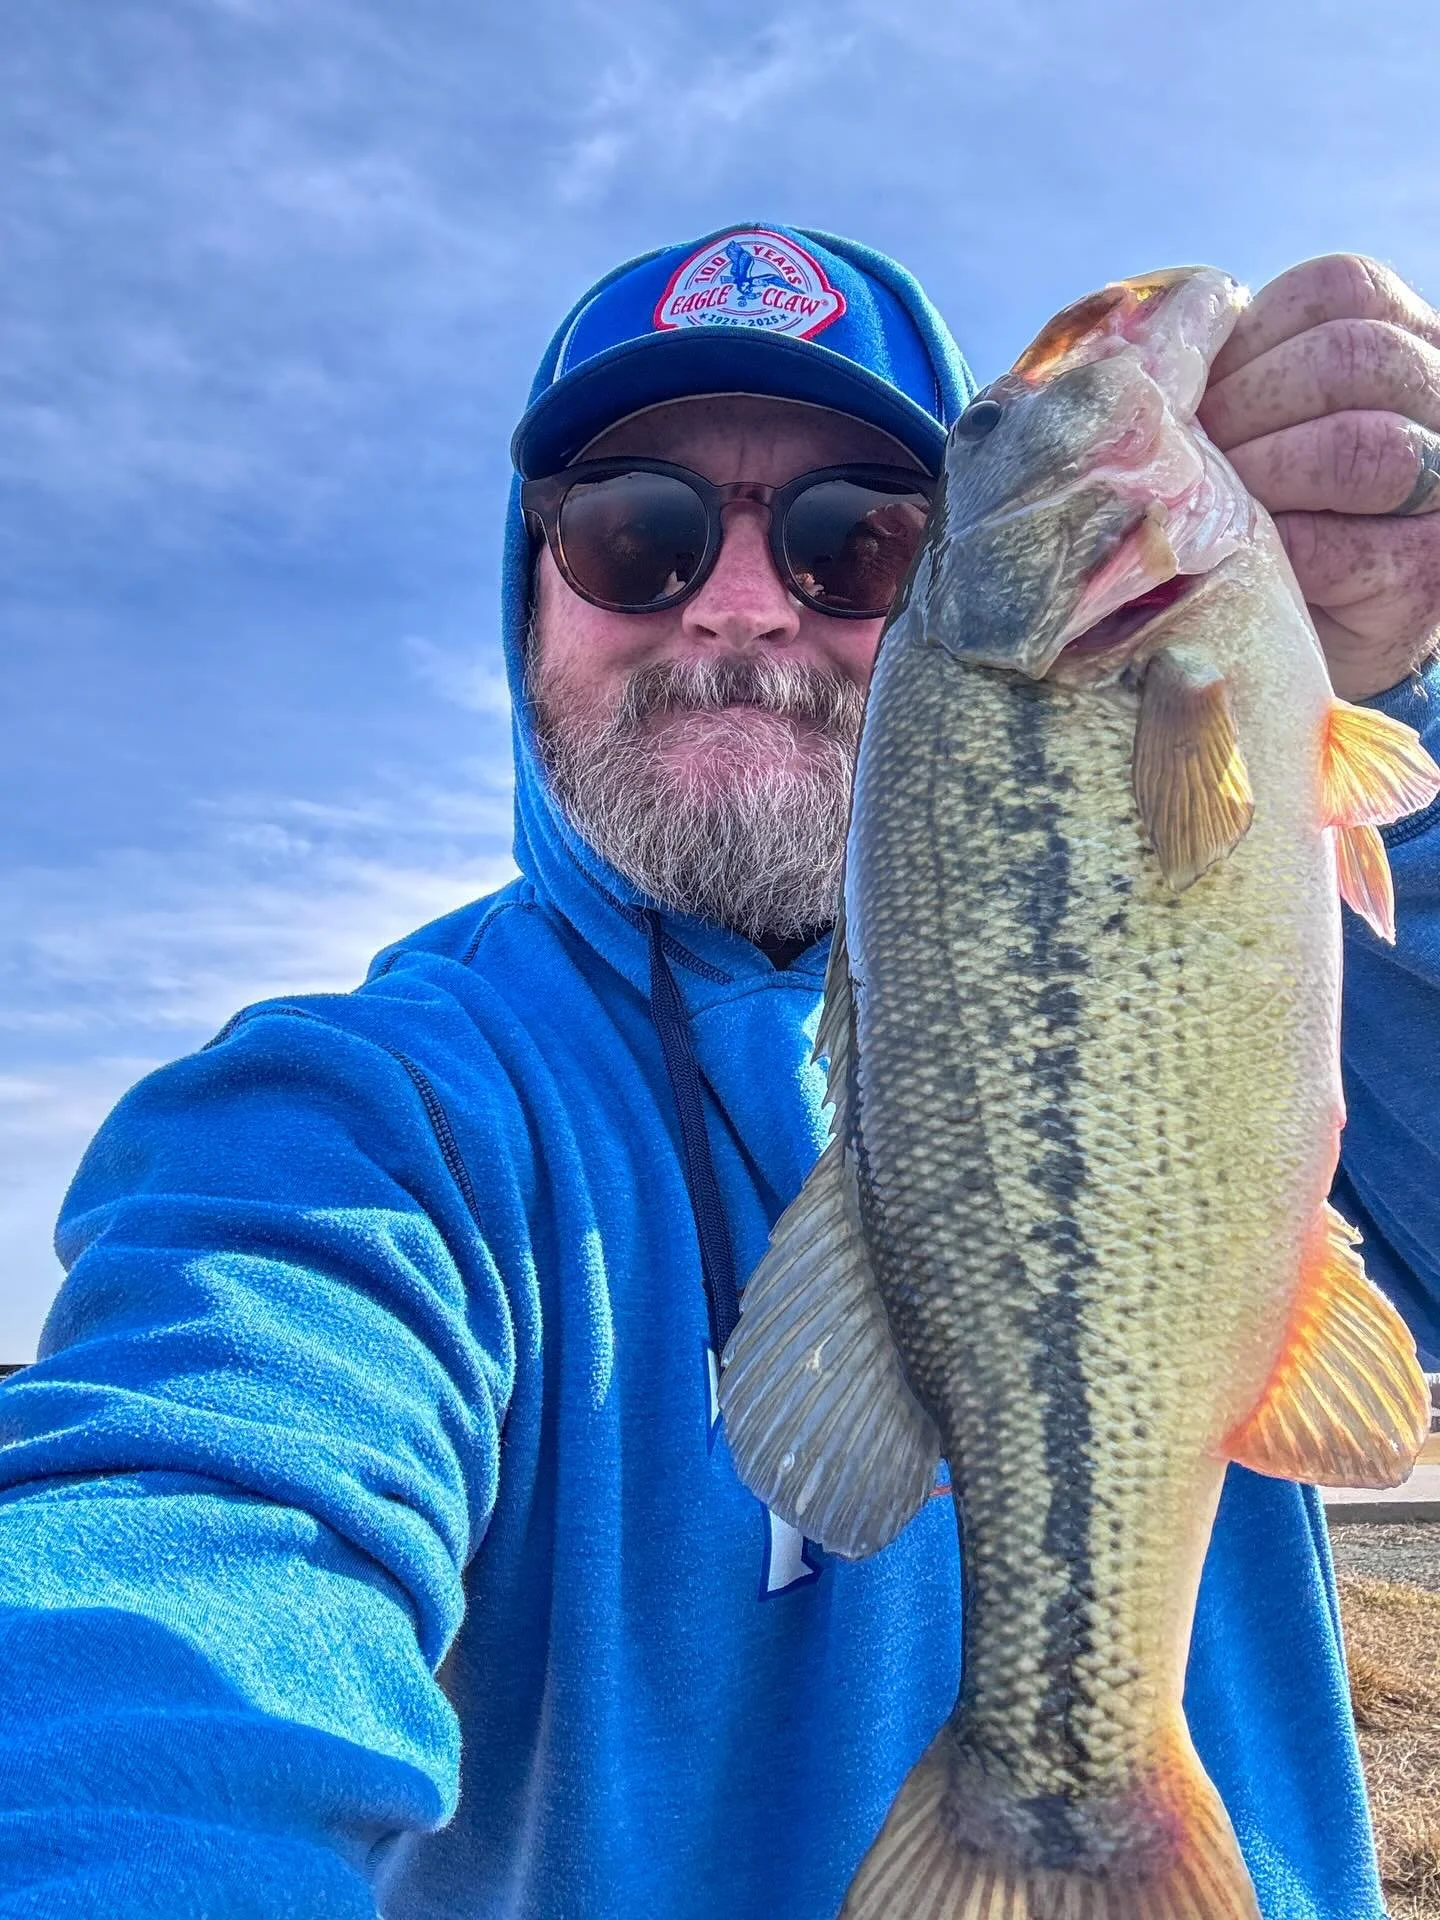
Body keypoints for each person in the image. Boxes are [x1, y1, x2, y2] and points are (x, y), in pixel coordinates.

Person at [1, 223, 1438, 1920]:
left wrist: (1408, 731)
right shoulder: (359, 1127)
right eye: (638, 535)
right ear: (527, 597)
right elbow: (158, 1587)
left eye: (856, 540)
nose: (743, 604)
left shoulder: (1261, 941)